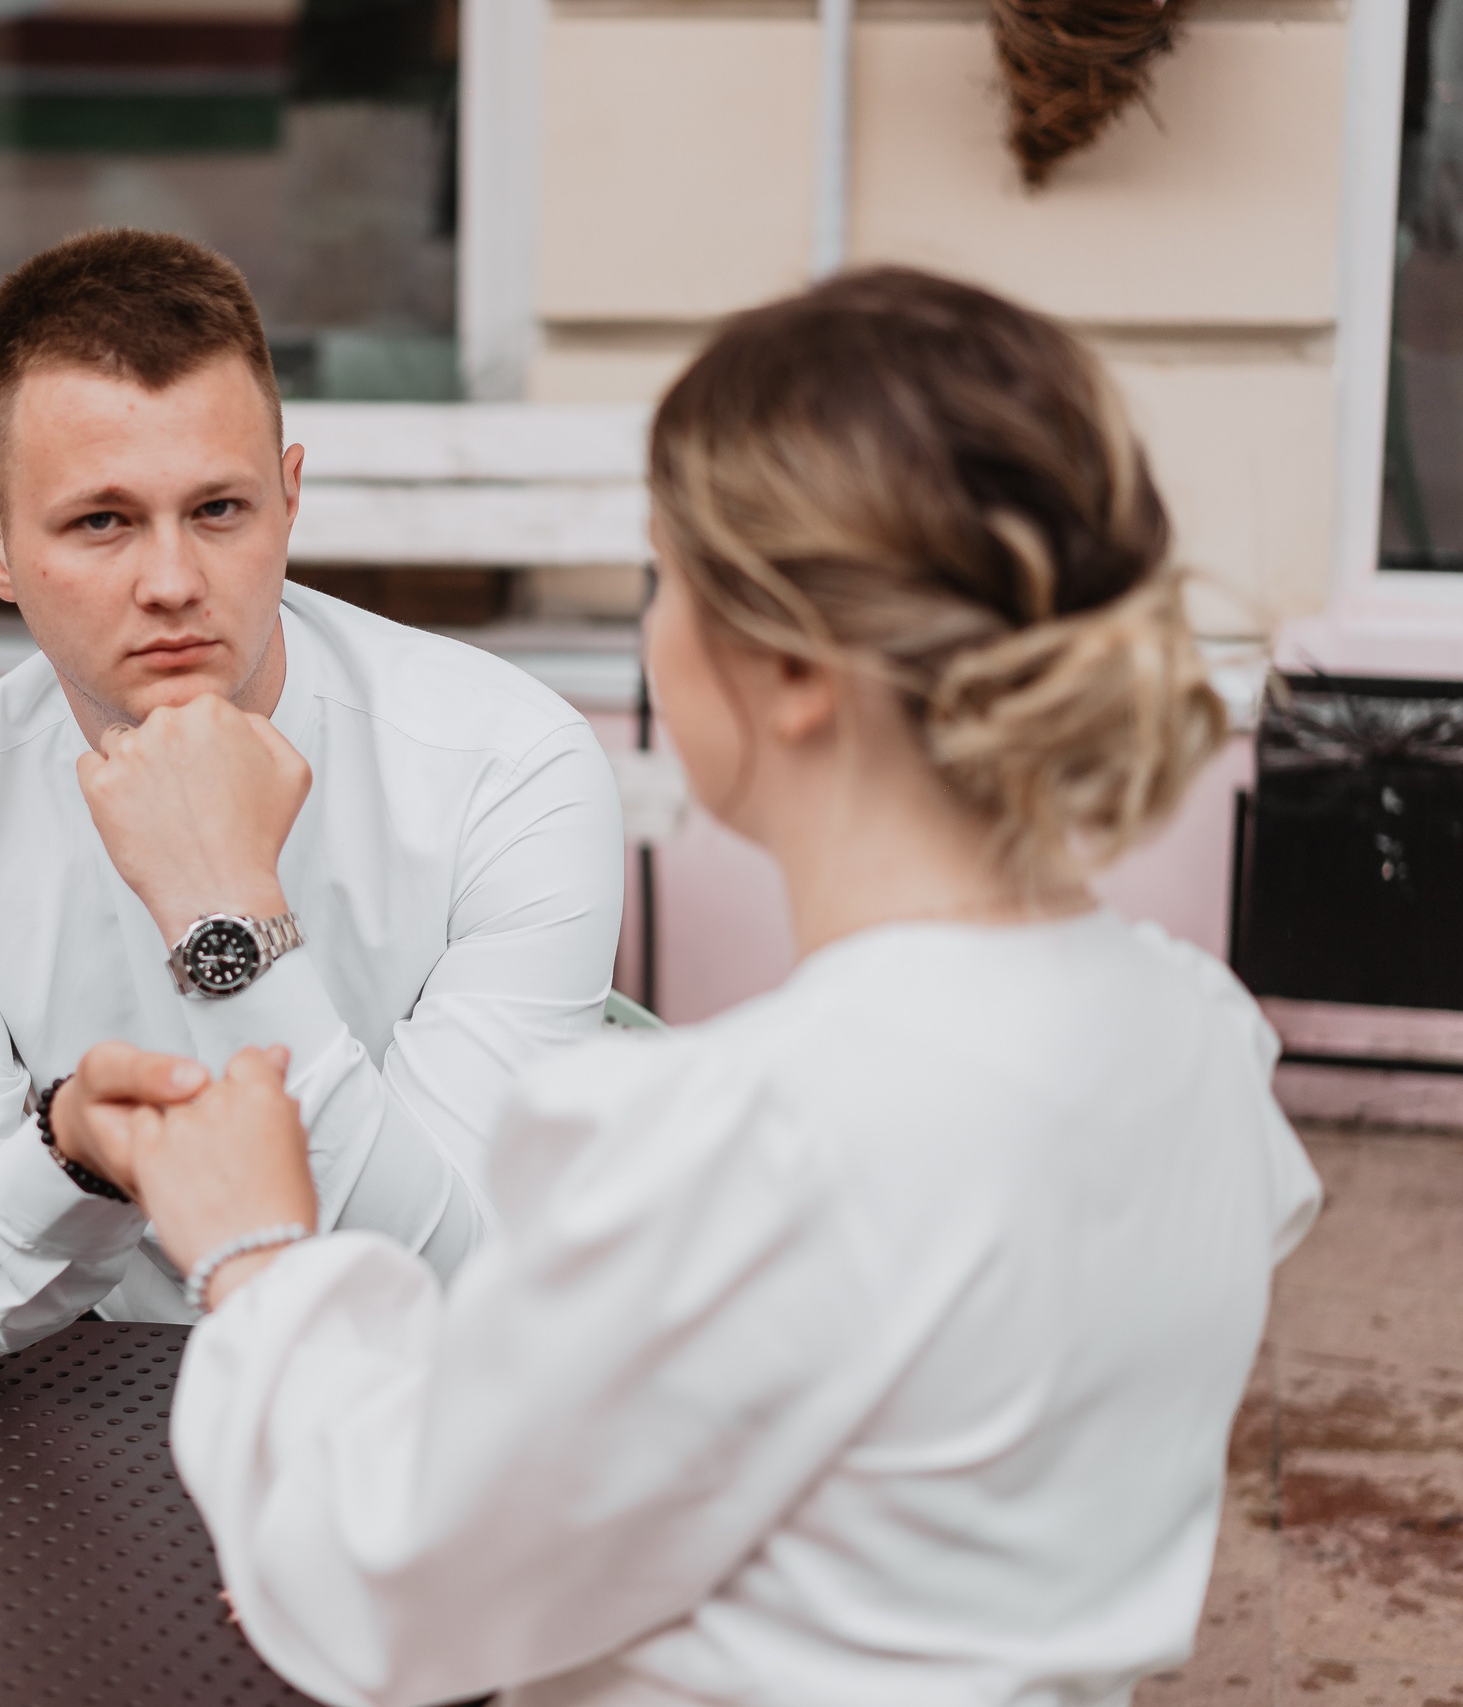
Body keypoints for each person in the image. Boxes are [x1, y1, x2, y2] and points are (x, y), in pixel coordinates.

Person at [94, 268, 1325, 1707]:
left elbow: (386, 1581)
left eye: (665, 573)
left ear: (791, 666)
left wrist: (253, 1249)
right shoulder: (1199, 1035)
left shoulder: (750, 1144)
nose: (653, 619)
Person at [0, 229, 626, 1380]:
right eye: (101, 521)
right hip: (89, 1437)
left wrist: (225, 913)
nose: (171, 583)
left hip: (444, 1444)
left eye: (218, 511)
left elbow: (453, 1291)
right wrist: (74, 1163)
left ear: (288, 500)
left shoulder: (508, 766)